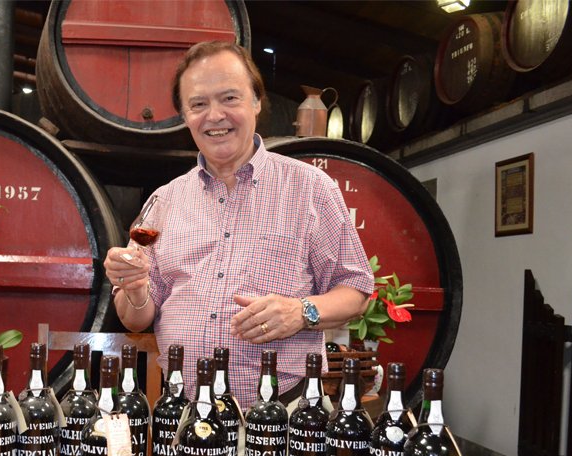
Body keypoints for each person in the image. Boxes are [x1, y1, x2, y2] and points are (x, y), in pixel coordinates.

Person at [103, 40, 374, 403]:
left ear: (257, 102)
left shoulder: (311, 188)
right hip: (182, 410)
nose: (214, 115)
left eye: (229, 98)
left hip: (282, 411)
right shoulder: (164, 199)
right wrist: (135, 288)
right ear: (185, 115)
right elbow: (136, 319)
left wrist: (301, 311)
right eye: (198, 104)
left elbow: (355, 291)